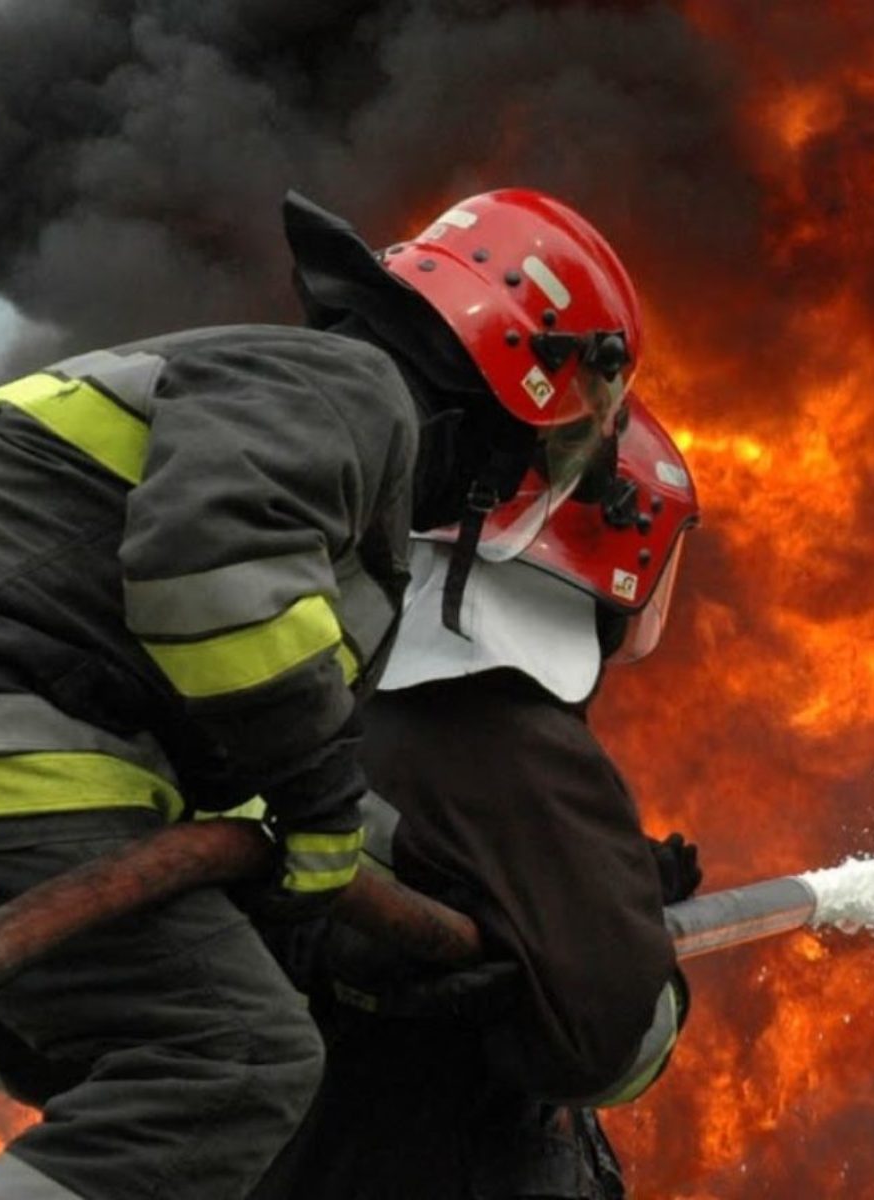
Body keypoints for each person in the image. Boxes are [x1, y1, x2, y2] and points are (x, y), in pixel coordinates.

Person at [0, 186, 647, 1200]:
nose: (531, 480)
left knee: (105, 1051)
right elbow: (207, 579)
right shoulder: (350, 390)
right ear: (524, 378)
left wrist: (404, 890)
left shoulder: (280, 414)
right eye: (563, 444)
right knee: (227, 1058)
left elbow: (233, 742)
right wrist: (320, 814)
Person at [252, 393, 703, 1200]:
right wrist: (638, 951)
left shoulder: (331, 693)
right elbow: (606, 1041)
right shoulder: (517, 747)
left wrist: (604, 883)